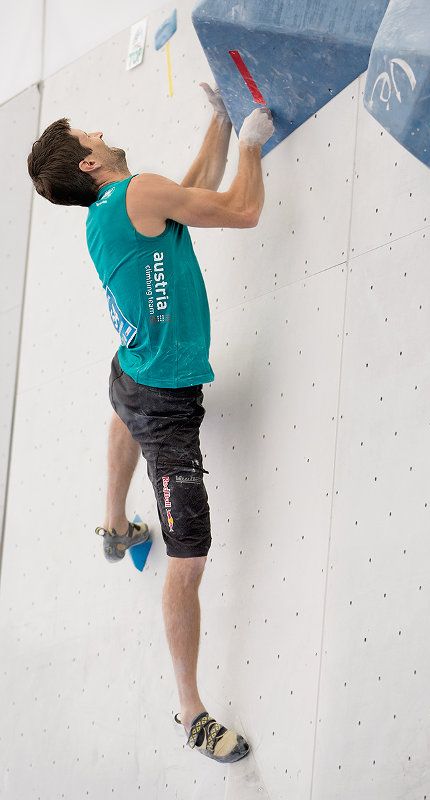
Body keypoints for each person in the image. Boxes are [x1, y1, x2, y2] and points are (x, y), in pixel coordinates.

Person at [27, 84, 274, 764]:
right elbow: (241, 209)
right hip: (167, 407)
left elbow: (183, 200)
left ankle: (113, 523)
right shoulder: (133, 196)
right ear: (87, 165)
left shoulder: (117, 207)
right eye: (89, 135)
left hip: (131, 372)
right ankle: (190, 711)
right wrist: (252, 144)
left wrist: (220, 127)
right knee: (187, 560)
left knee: (119, 413)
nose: (100, 132)